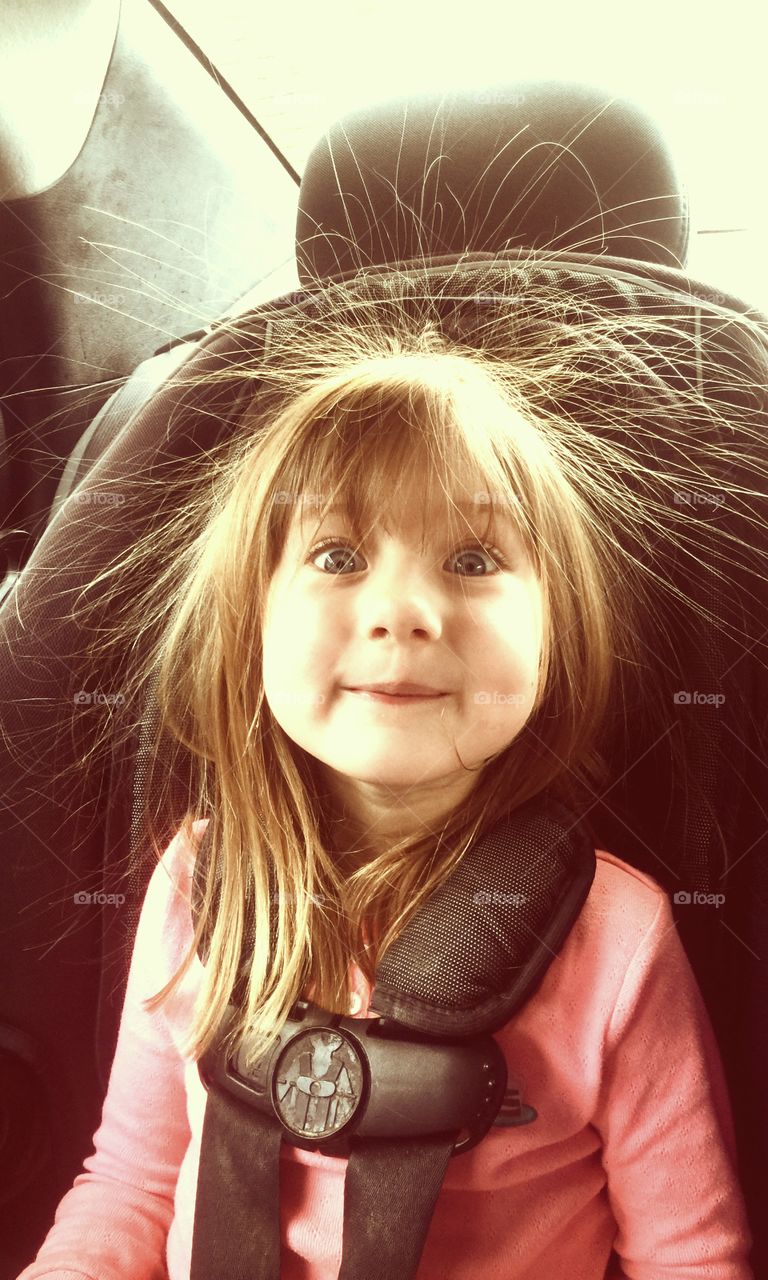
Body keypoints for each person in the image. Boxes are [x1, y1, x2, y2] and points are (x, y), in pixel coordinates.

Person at [16, 278, 756, 1278]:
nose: (404, 609)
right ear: (253, 628)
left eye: (471, 556)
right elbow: (135, 1184)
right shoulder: (198, 885)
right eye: (336, 552)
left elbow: (690, 1254)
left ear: (558, 634)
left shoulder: (616, 936)